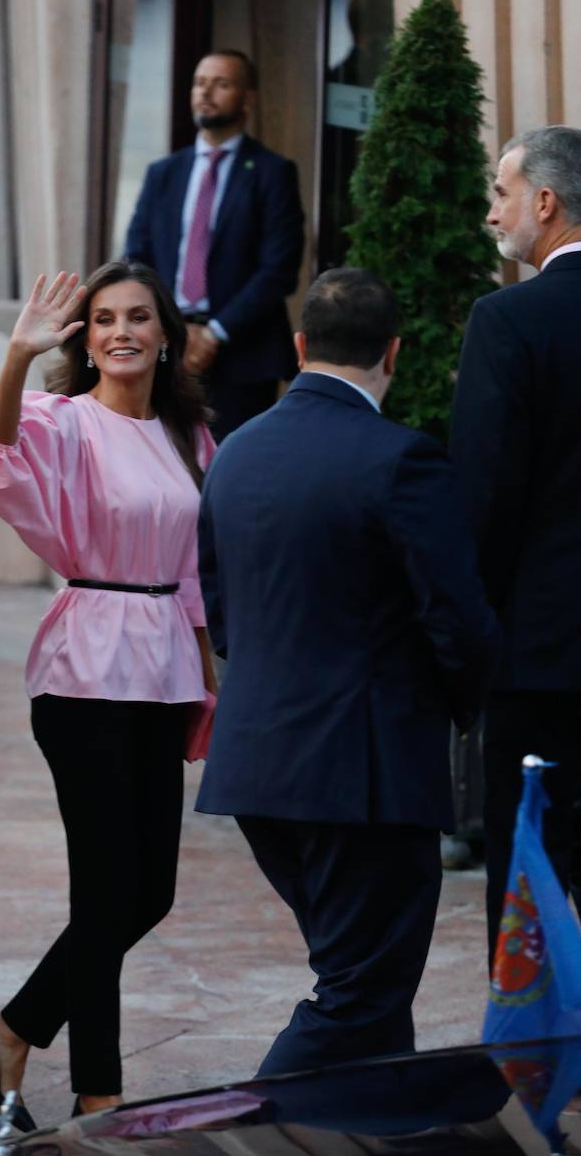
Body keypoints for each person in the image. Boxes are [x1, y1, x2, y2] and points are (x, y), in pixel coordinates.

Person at [196, 268, 499, 1075]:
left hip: (259, 770)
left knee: (367, 986)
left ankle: (369, 1129)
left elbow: (220, 608)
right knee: (362, 991)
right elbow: (458, 621)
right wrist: (461, 707)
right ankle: (250, 1122)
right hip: (363, 776)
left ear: (299, 347)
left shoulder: (235, 452)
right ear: (393, 352)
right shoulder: (403, 460)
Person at [0, 261, 217, 1123]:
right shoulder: (67, 422)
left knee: (150, 892)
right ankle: (99, 1095)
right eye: (103, 319)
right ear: (86, 337)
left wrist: (210, 673)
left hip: (165, 669)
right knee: (103, 891)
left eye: (138, 316)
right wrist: (18, 359)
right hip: (86, 672)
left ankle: (13, 1027)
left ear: (165, 333)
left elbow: (193, 570)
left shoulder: (188, 435)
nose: (120, 332)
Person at [449, 125, 581, 967]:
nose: (492, 210)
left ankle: (535, 1064)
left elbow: (485, 495)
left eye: (501, 193)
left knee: (529, 867)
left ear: (545, 202)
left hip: (541, 655)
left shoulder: (507, 320)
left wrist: (472, 629)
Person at [125, 49, 305, 440]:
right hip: (166, 350)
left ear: (247, 98)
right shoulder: (164, 174)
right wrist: (169, 328)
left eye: (221, 84)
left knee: (231, 472)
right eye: (200, 83)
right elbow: (137, 260)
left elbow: (279, 269)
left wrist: (215, 332)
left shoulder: (273, 173)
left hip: (243, 356)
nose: (206, 93)